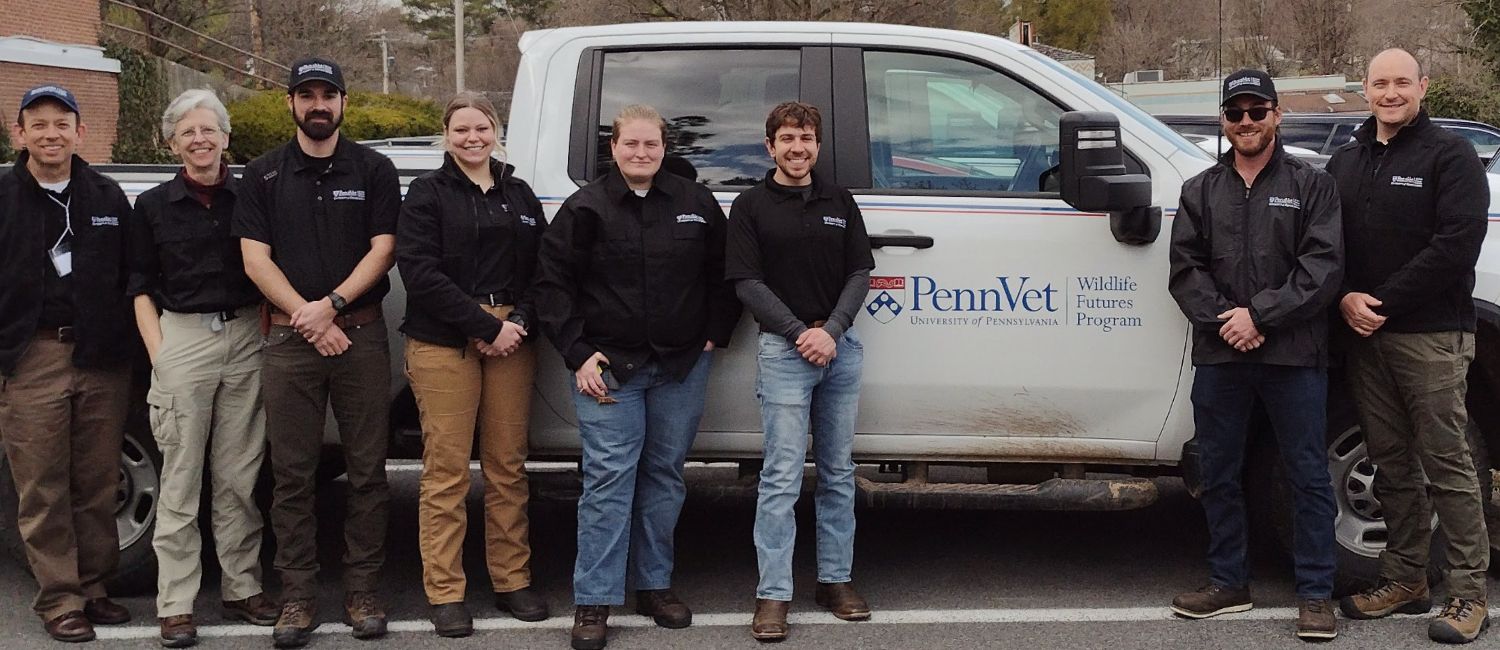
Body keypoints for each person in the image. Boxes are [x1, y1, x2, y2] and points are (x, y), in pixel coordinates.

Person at [535, 104, 741, 650]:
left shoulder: (696, 204)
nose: (642, 154)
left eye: (652, 145)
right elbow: (552, 287)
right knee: (607, 482)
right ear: (614, 147)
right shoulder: (586, 208)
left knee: (665, 475)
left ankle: (655, 586)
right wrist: (578, 353)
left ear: (664, 148)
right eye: (632, 145)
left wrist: (714, 333)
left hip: (680, 365)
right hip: (609, 370)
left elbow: (726, 274)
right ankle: (594, 600)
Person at [1166, 69, 1344, 641]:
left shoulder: (1313, 185)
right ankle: (1227, 582)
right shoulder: (1199, 190)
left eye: (1257, 110)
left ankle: (1316, 594)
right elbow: (1185, 271)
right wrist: (1228, 321)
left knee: (1308, 475)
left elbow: (1322, 269)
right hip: (1223, 356)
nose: (1247, 121)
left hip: (1293, 355)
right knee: (1218, 472)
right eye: (1236, 112)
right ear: (1224, 120)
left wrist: (1259, 315)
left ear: (1276, 115)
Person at [232, 57, 400, 649]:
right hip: (288, 341)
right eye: (307, 94)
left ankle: (363, 590)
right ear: (291, 103)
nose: (318, 104)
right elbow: (255, 259)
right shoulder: (261, 174)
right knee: (292, 475)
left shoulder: (375, 168)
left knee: (367, 471)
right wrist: (309, 321)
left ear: (344, 101)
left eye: (328, 93)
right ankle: (297, 596)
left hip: (360, 333)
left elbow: (384, 250)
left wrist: (329, 304)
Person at [1328, 48, 1491, 644]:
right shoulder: (1345, 161)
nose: (1390, 92)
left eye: (1402, 82)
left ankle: (1469, 592)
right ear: (1364, 90)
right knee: (1390, 460)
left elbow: (1456, 245)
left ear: (1422, 86)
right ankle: (1404, 578)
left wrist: (1381, 302)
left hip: (1430, 335)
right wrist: (1345, 296)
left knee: (1447, 461)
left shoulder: (1452, 156)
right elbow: (1326, 245)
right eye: (1379, 83)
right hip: (1365, 335)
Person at [127, 89, 279, 648]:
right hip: (182, 338)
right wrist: (160, 354)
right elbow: (139, 285)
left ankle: (242, 588)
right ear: (172, 144)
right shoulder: (152, 207)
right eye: (187, 132)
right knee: (181, 479)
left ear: (225, 137)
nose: (200, 140)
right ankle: (176, 604)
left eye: (208, 130)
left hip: (245, 335)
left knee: (240, 476)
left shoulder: (253, 196)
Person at [395, 92, 550, 637]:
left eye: (481, 128)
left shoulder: (520, 193)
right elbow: (418, 269)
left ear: (496, 131)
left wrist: (518, 323)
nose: (471, 138)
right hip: (445, 341)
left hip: (513, 337)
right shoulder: (426, 193)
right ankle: (446, 590)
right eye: (460, 129)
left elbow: (542, 268)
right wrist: (485, 326)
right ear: (446, 134)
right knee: (446, 471)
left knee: (508, 466)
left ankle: (512, 580)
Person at [725, 102, 875, 642]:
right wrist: (799, 334)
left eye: (806, 138)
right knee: (782, 476)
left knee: (837, 471)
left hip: (839, 348)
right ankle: (773, 593)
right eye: (787, 138)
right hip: (784, 351)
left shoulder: (839, 200)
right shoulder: (750, 206)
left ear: (817, 145)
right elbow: (747, 284)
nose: (797, 147)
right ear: (770, 146)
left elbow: (860, 270)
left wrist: (830, 331)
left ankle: (835, 580)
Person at [0, 84, 136, 643]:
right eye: (39, 124)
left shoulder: (106, 196)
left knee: (98, 481)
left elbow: (134, 275)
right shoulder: (4, 197)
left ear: (80, 132)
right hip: (32, 355)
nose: (51, 133)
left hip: (101, 356)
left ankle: (95, 587)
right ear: (20, 134)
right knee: (42, 485)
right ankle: (59, 600)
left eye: (62, 123)